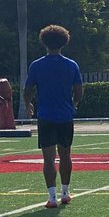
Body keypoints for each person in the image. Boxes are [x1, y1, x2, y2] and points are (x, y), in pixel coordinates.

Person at [22, 25, 83, 207]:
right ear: (64, 42)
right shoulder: (71, 65)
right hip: (65, 116)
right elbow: (78, 91)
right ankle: (65, 192)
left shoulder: (37, 65)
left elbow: (28, 90)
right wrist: (73, 104)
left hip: (45, 116)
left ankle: (51, 197)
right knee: (65, 155)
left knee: (48, 159)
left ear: (44, 42)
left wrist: (28, 104)